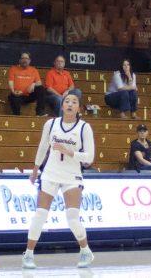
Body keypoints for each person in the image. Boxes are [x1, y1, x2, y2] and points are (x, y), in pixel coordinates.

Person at [22, 94, 95, 269]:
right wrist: (35, 169)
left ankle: (85, 250)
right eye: (67, 102)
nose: (70, 104)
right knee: (40, 214)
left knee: (72, 217)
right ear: (62, 106)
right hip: (50, 173)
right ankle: (28, 254)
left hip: (72, 175)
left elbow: (89, 158)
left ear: (79, 107)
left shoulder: (84, 127)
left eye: (74, 102)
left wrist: (70, 152)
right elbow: (42, 147)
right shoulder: (51, 124)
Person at [7, 52, 49, 117]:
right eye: (23, 58)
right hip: (17, 95)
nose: (25, 60)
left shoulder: (33, 70)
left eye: (26, 58)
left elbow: (39, 83)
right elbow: (10, 82)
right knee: (14, 98)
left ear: (29, 60)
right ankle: (16, 117)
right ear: (19, 60)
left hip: (29, 95)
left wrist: (34, 84)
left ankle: (40, 112)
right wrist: (13, 91)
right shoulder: (13, 69)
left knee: (41, 89)